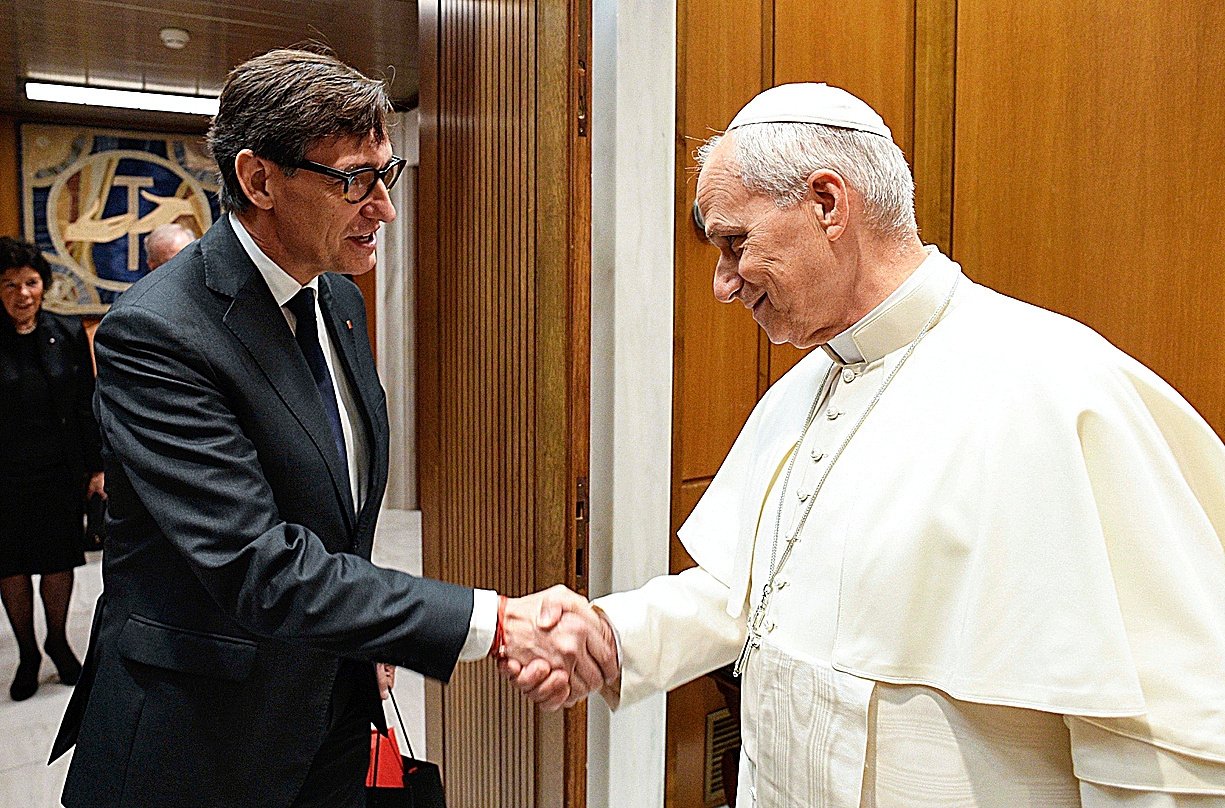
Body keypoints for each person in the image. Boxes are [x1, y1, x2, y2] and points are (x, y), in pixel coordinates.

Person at [507, 84, 1225, 806]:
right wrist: (610, 636)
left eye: (734, 244)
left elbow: (1161, 747)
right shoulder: (808, 385)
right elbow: (752, 591)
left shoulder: (1058, 387)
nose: (723, 284)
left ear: (827, 203)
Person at [50, 48, 615, 808]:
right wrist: (498, 621)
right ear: (259, 180)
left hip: (330, 705)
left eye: (387, 175)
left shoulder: (338, 300)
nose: (383, 208)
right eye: (353, 180)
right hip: (201, 734)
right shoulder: (156, 333)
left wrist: (367, 632)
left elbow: (335, 511)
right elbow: (257, 564)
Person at [0, 237, 102, 701]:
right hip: (5, 478)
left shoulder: (66, 332)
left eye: (30, 283)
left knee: (58, 561)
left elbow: (85, 404)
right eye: (9, 285)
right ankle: (27, 654)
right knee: (12, 567)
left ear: (43, 285)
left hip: (59, 472)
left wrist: (97, 467)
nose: (22, 294)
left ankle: (58, 643)